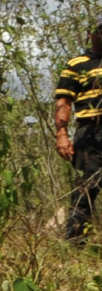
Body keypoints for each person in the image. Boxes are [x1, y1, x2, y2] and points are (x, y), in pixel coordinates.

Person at [53, 21, 102, 241]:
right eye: (101, 29)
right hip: (90, 132)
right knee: (86, 188)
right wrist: (62, 134)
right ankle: (75, 242)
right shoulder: (77, 65)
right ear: (91, 33)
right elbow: (63, 101)